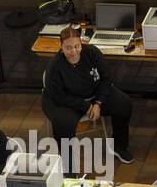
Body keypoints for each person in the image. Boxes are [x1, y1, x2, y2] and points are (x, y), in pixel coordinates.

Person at [43, 27, 134, 169]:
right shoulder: (55, 66)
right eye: (68, 48)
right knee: (62, 124)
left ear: (81, 43)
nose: (73, 51)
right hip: (67, 102)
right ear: (61, 47)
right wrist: (86, 106)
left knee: (124, 104)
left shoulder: (92, 52)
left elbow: (106, 79)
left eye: (77, 46)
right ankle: (69, 167)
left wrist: (98, 103)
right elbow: (58, 96)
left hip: (94, 95)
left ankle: (119, 146)